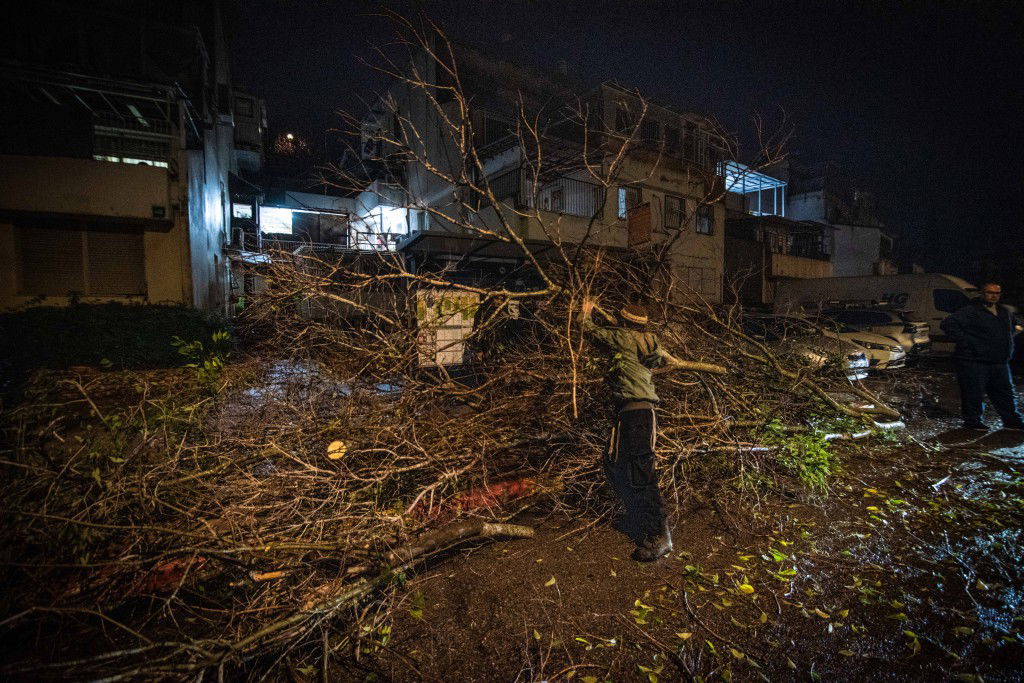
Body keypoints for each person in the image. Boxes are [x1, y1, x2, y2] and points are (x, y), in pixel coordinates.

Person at [580, 297, 682, 562]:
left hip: (637, 413)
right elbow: (656, 360)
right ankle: (639, 518)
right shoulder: (649, 343)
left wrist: (585, 311)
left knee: (640, 471)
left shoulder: (624, 338)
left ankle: (659, 535)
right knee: (615, 463)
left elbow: (590, 331)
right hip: (633, 413)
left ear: (623, 323)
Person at [939, 282, 1024, 430]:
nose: (993, 296)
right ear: (982, 294)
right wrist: (968, 343)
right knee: (974, 393)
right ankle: (972, 422)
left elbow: (1013, 326)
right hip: (974, 360)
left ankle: (1012, 421)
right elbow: (948, 324)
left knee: (1005, 392)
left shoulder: (1003, 311)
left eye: (996, 293)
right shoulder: (970, 311)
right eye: (990, 293)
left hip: (999, 360)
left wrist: (1008, 338)